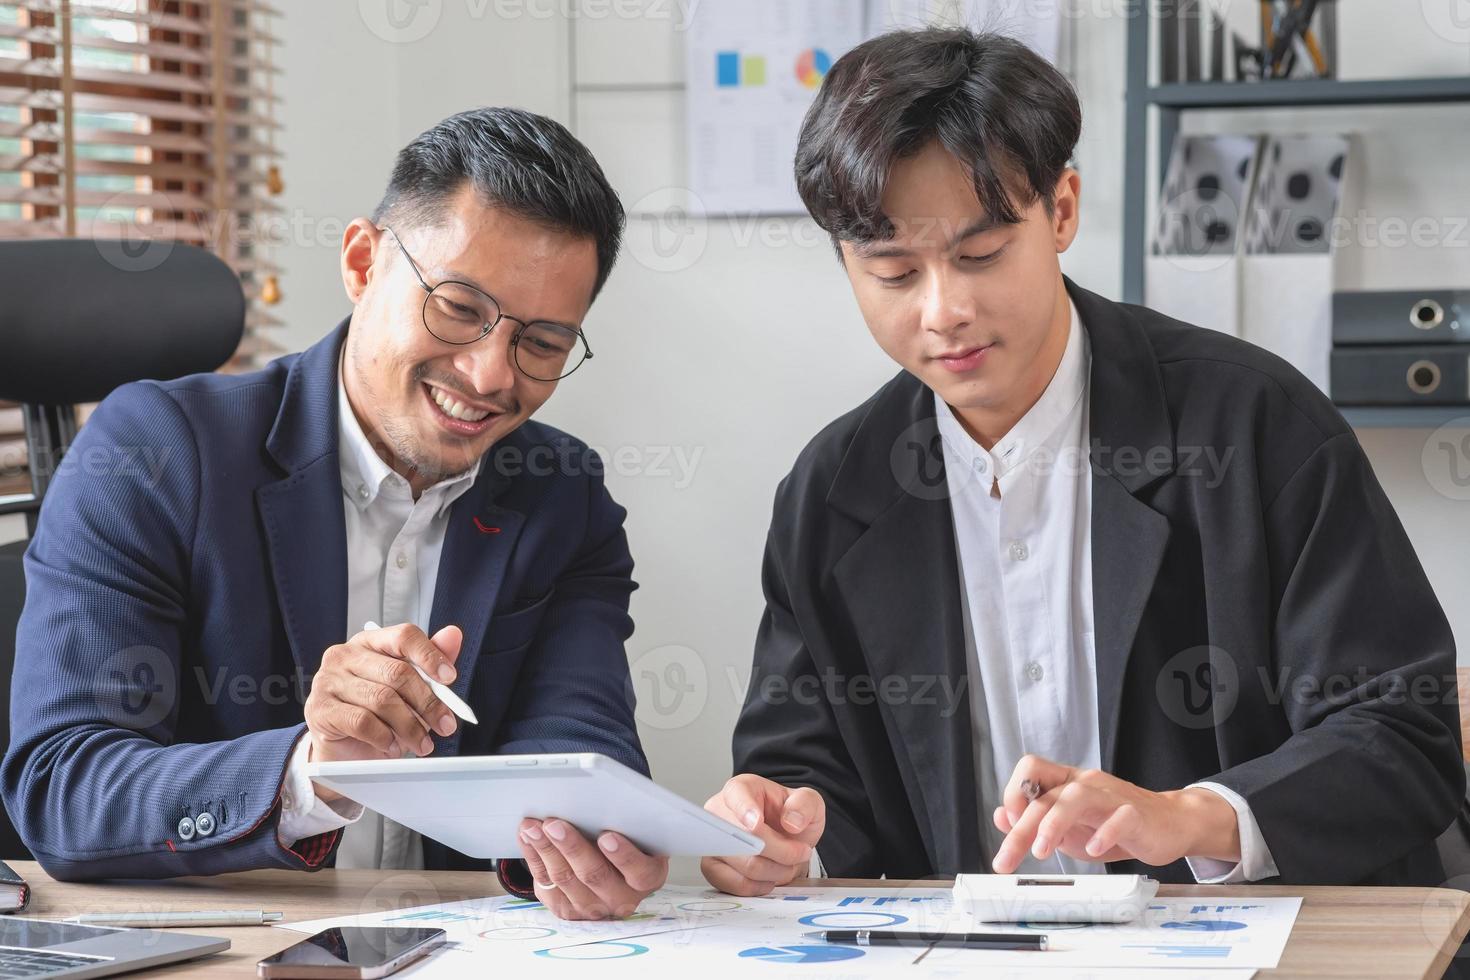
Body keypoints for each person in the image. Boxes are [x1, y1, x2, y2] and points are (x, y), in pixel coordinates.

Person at [701, 28, 1464, 896]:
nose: (944, 310)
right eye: (892, 272)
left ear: (1061, 211)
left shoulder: (1253, 425)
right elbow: (807, 769)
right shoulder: (833, 493)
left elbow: (1403, 734)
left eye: (980, 255)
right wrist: (781, 831)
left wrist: (1196, 815)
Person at [4, 107, 666, 920]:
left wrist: (589, 843)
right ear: (362, 263)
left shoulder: (563, 492)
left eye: (543, 342)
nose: (492, 375)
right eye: (459, 307)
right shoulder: (155, 452)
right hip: (221, 948)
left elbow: (576, 745)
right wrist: (309, 771)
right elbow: (63, 786)